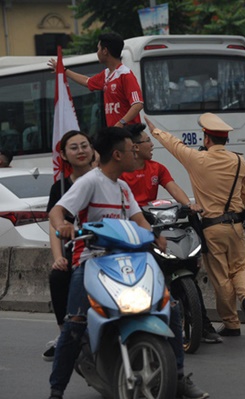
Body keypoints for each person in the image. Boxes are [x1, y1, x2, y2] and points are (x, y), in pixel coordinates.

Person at [47, 127, 207, 399]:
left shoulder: (122, 187)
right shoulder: (90, 182)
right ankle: (56, 391)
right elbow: (57, 211)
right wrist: (63, 225)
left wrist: (156, 236)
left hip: (129, 261)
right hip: (93, 261)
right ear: (117, 155)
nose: (137, 152)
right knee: (75, 324)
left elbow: (138, 218)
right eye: (132, 149)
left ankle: (178, 377)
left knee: (171, 307)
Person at [144, 113, 245, 337]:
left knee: (221, 276)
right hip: (236, 226)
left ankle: (232, 323)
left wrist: (155, 130)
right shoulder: (239, 161)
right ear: (225, 139)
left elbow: (174, 145)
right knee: (240, 267)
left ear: (207, 139)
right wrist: (236, 210)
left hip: (212, 227)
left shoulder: (198, 160)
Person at [121, 122, 223, 344]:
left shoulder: (157, 168)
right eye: (148, 141)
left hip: (158, 227)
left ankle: (203, 325)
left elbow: (173, 188)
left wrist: (189, 204)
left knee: (186, 260)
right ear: (135, 147)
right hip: (135, 231)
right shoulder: (122, 175)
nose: (151, 145)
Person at [43, 130, 95, 362]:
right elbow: (55, 226)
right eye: (74, 147)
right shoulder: (60, 188)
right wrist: (58, 257)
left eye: (84, 145)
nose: (81, 151)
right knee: (58, 276)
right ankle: (64, 335)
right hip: (78, 250)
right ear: (63, 155)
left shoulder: (109, 180)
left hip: (107, 248)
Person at [47, 32, 143, 128]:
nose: (97, 52)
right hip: (116, 134)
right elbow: (87, 81)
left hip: (129, 134)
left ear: (105, 51)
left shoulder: (125, 75)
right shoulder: (106, 75)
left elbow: (138, 104)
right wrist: (64, 70)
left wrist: (121, 122)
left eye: (98, 49)